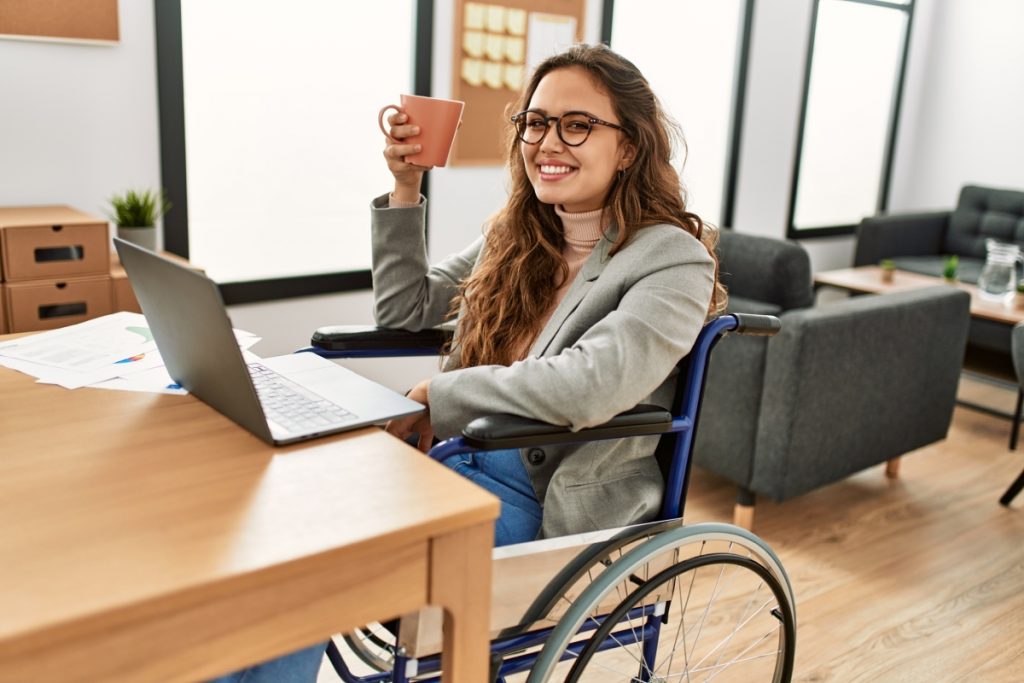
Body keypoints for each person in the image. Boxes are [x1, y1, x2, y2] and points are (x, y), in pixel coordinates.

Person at [208, 42, 723, 683]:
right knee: (277, 529)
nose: (548, 142)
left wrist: (438, 395)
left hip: (544, 499)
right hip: (452, 460)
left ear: (629, 147)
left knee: (314, 571)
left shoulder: (671, 259)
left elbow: (594, 384)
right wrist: (406, 186)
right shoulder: (518, 233)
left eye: (578, 124)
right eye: (535, 122)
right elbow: (407, 309)